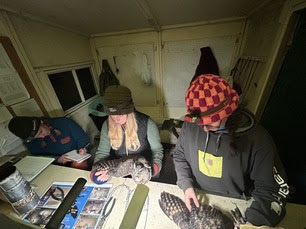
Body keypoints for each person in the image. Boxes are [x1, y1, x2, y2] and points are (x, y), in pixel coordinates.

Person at [173, 74, 289, 227]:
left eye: (209, 123)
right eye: (200, 124)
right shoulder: (191, 126)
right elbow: (179, 155)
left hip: (235, 203)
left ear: (228, 112)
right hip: (197, 196)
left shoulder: (258, 139)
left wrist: (251, 222)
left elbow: (272, 190)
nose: (205, 129)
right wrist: (186, 185)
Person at [92, 85, 163, 182]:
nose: (116, 120)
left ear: (129, 110)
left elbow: (157, 151)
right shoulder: (107, 125)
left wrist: (152, 169)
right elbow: (102, 153)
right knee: (98, 180)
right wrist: (96, 170)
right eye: (112, 115)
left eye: (120, 114)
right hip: (118, 169)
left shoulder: (147, 124)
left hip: (142, 168)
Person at [8, 116, 90, 169]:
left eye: (41, 131)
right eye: (37, 136)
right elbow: (38, 157)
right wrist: (57, 159)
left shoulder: (65, 123)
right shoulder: (30, 142)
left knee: (78, 166)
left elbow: (82, 138)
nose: (42, 136)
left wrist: (82, 148)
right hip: (54, 164)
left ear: (41, 122)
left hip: (76, 157)